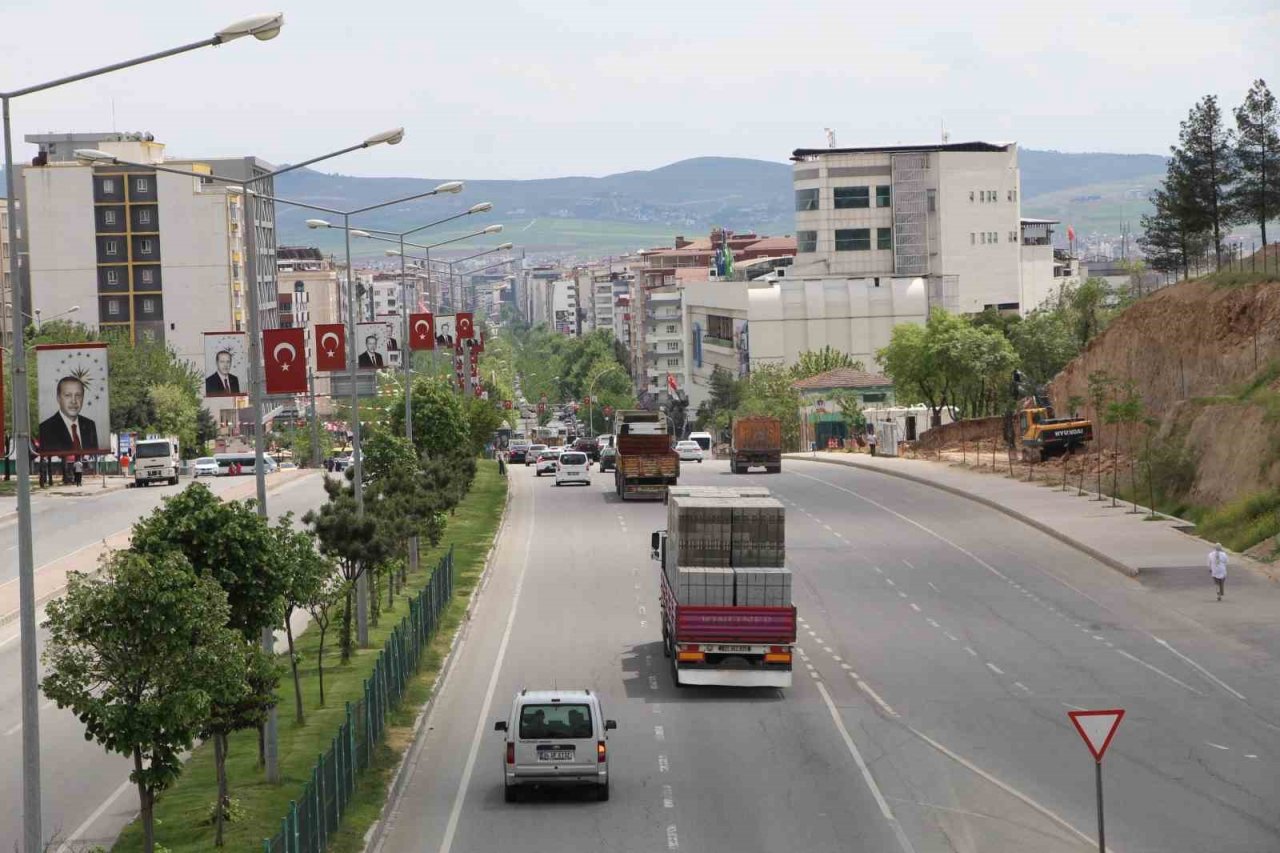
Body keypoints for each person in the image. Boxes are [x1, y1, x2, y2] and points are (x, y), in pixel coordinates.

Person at [38, 376, 100, 453]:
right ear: (58, 398)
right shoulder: (45, 428)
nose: (73, 401)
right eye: (68, 395)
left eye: (78, 395)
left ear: (83, 398)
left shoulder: (90, 425)